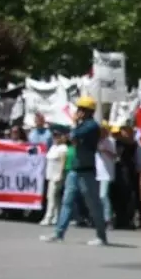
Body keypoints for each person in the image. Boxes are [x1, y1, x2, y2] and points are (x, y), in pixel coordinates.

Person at [42, 96, 107, 245]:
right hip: (75, 170)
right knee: (67, 202)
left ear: (87, 111)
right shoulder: (82, 124)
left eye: (80, 109)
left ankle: (101, 236)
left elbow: (74, 134)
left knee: (93, 204)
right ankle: (59, 234)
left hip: (87, 171)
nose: (77, 112)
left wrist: (71, 126)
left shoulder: (91, 126)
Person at [40, 131, 69, 226]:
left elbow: (63, 162)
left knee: (52, 196)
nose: (55, 138)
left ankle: (48, 217)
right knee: (54, 197)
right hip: (50, 175)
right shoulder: (53, 147)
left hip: (57, 176)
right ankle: (57, 217)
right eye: (54, 136)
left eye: (57, 136)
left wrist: (61, 175)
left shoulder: (63, 148)